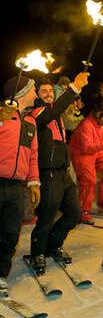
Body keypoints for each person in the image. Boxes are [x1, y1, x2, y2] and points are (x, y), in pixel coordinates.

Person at [28, 73, 88, 274]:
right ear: (37, 95)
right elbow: (50, 113)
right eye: (43, 91)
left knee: (73, 213)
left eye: (50, 92)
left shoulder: (57, 115)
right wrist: (73, 88)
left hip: (63, 172)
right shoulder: (36, 113)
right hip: (48, 173)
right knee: (47, 215)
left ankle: (53, 245)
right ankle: (38, 253)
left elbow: (69, 119)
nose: (48, 94)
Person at [0, 76, 40, 295]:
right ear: (22, 93)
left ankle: (0, 275)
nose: (36, 94)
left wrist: (34, 182)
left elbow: (33, 155)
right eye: (33, 89)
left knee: (10, 233)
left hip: (17, 187)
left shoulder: (31, 123)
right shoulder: (2, 115)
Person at [69, 101, 103, 225]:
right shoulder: (86, 125)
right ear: (97, 115)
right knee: (89, 180)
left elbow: (100, 139)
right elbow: (86, 147)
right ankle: (83, 210)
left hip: (97, 150)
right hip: (81, 152)